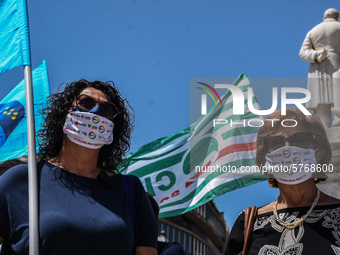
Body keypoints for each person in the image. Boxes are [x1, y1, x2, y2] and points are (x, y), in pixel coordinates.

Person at [0, 79, 158, 255]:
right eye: (85, 103)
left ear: (113, 128)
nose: (96, 113)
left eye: (108, 110)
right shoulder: (22, 179)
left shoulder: (130, 190)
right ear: (62, 117)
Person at [225, 108, 340, 255]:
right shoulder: (248, 224)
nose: (288, 149)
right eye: (277, 143)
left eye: (299, 140)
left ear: (318, 154)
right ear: (267, 159)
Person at [299, 8, 340, 128]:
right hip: (338, 63)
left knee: (322, 101)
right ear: (337, 17)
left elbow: (302, 53)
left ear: (324, 17)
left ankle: (324, 129)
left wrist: (316, 54)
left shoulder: (313, 31)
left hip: (319, 67)